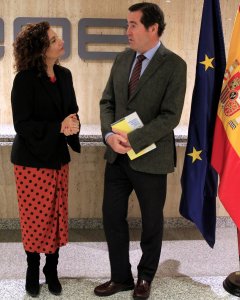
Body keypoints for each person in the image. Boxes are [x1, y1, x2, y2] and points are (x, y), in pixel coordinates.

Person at [94, 2, 187, 299]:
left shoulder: (174, 65)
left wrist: (133, 139)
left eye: (133, 24)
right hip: (116, 157)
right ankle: (120, 277)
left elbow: (170, 116)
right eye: (127, 24)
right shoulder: (122, 60)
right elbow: (107, 102)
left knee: (151, 221)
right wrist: (109, 135)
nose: (127, 31)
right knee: (111, 217)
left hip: (151, 158)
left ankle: (145, 277)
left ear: (153, 28)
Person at [11, 21, 80, 297]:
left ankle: (51, 270)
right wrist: (58, 128)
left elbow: (71, 111)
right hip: (31, 161)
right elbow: (23, 124)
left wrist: (73, 124)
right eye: (53, 40)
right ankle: (32, 267)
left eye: (57, 37)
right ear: (40, 49)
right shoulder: (25, 79)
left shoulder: (64, 75)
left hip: (57, 158)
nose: (59, 41)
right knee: (34, 220)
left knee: (55, 217)